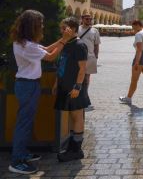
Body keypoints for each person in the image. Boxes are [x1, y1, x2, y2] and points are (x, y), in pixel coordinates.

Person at [8, 10, 73, 174]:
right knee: (24, 123)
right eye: (40, 24)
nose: (42, 26)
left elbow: (46, 49)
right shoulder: (27, 46)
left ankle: (22, 153)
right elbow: (50, 56)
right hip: (28, 86)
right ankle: (16, 161)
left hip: (28, 85)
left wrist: (61, 39)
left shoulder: (24, 42)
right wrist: (65, 40)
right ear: (33, 26)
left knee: (26, 121)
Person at [54, 17, 90, 162]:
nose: (62, 30)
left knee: (77, 116)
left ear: (73, 29)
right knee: (70, 116)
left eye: (64, 28)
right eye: (61, 28)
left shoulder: (79, 45)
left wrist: (77, 87)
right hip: (65, 85)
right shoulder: (66, 43)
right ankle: (71, 145)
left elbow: (82, 69)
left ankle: (76, 149)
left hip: (75, 87)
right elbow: (61, 63)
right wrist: (57, 82)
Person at [119, 20, 143, 107]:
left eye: (134, 27)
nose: (133, 30)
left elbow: (139, 50)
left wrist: (137, 62)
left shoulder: (139, 34)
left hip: (141, 58)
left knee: (134, 80)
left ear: (138, 25)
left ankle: (128, 98)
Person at [78, 14, 100, 111]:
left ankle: (85, 99)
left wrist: (96, 56)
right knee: (78, 78)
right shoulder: (77, 29)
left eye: (90, 19)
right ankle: (81, 99)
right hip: (77, 58)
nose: (89, 20)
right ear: (82, 19)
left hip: (90, 57)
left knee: (86, 80)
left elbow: (96, 45)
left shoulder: (95, 31)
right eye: (87, 19)